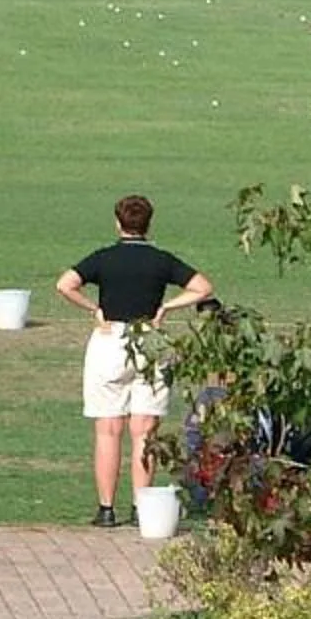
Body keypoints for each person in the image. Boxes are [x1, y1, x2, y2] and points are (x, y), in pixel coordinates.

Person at [55, 194, 213, 526]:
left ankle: (106, 508)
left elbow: (65, 284)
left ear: (118, 223)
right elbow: (202, 287)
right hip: (150, 342)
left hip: (111, 340)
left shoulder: (104, 258)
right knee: (144, 431)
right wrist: (167, 307)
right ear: (148, 225)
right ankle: (142, 507)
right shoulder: (160, 260)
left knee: (108, 429)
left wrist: (94, 309)